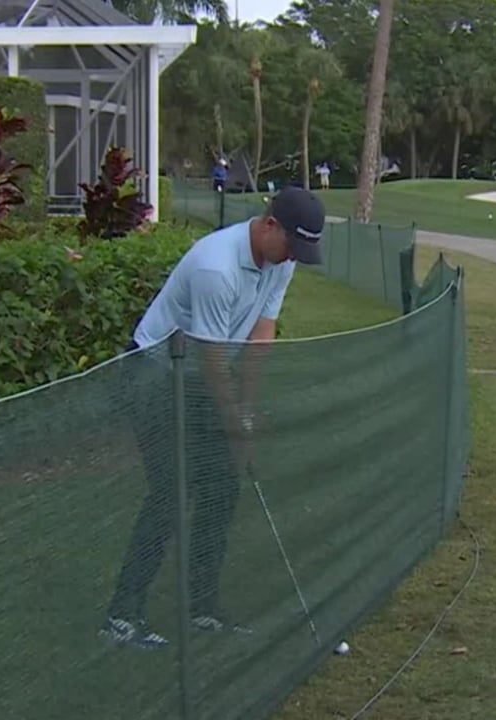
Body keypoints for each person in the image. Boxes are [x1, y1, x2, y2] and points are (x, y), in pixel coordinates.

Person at [99, 186, 327, 650]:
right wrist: (234, 422)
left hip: (199, 372)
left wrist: (245, 412)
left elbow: (261, 334)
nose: (292, 258)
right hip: (154, 373)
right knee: (171, 490)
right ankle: (121, 615)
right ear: (270, 225)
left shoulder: (281, 260)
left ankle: (202, 606)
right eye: (291, 245)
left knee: (222, 487)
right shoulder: (215, 267)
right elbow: (213, 360)